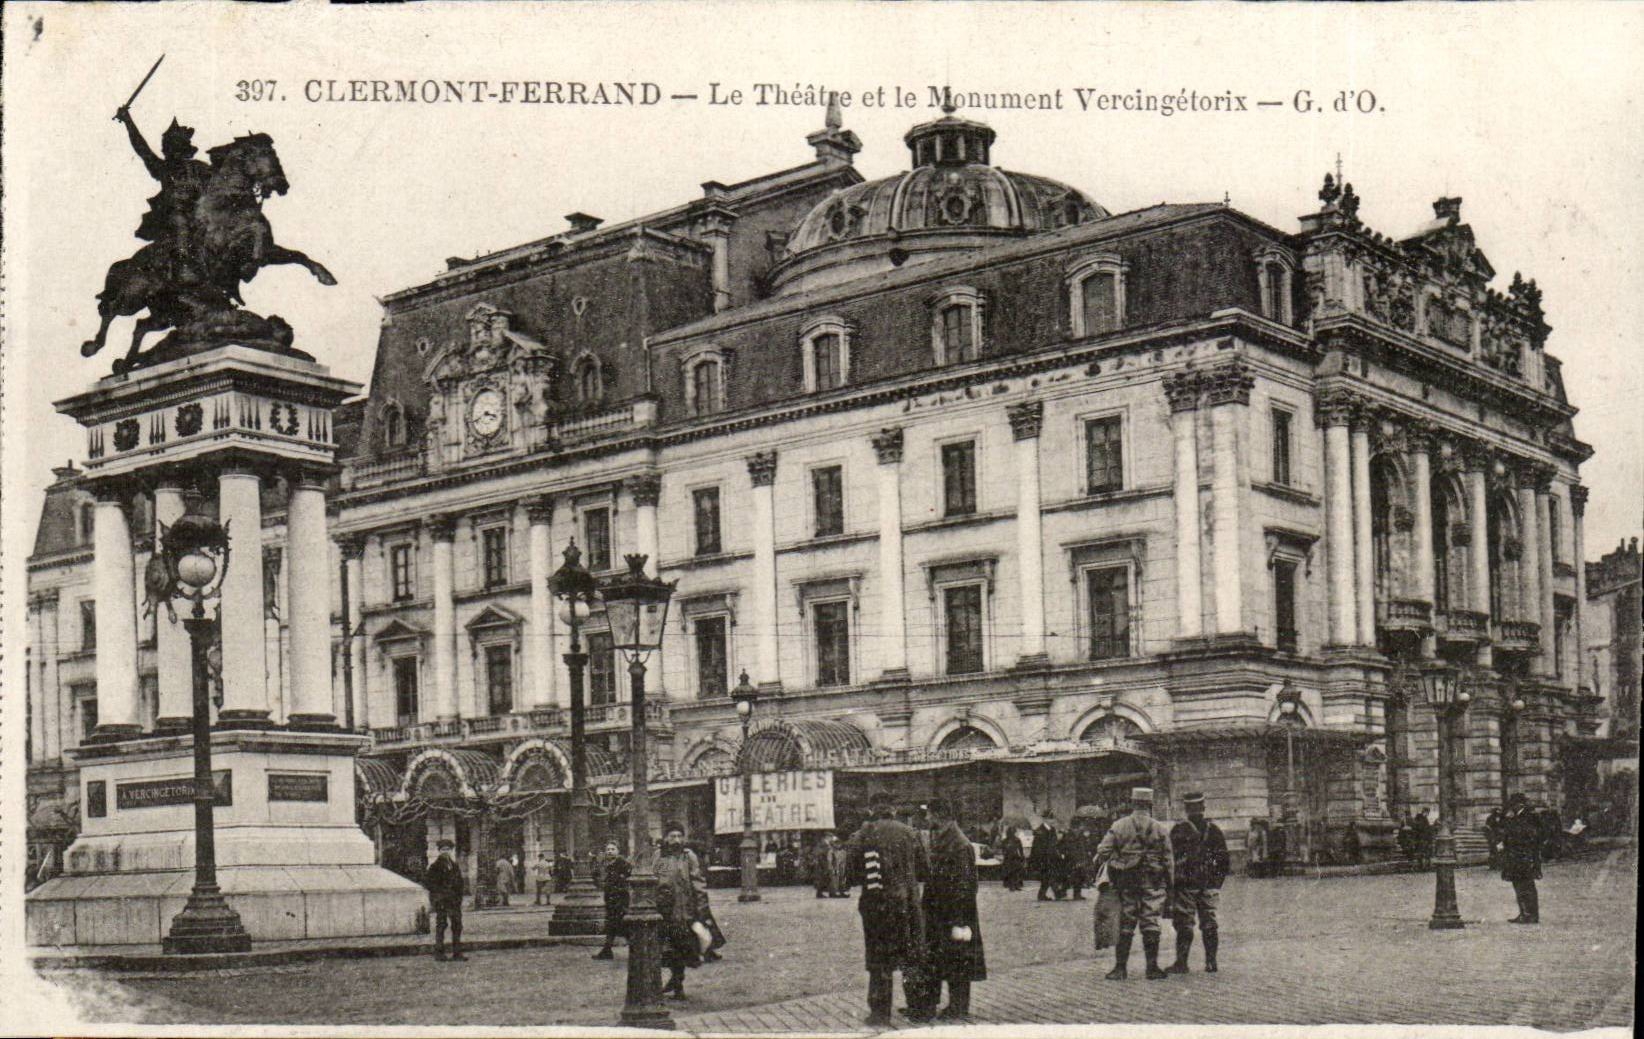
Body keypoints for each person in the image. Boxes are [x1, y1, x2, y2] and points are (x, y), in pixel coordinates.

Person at [845, 792, 930, 1027]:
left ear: (871, 809)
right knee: (912, 957)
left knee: (879, 959)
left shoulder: (863, 834)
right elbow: (925, 869)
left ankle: (880, 1013)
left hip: (877, 905)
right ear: (893, 809)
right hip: (908, 904)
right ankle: (919, 1009)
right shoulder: (910, 833)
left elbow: (850, 874)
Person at [908, 799, 987, 1021]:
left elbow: (967, 885)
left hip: (953, 913)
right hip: (938, 911)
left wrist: (959, 920)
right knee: (936, 958)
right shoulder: (943, 837)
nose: (927, 819)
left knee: (958, 960)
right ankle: (928, 1005)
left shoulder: (959, 844)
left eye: (929, 814)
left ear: (939, 815)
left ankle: (958, 1007)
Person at [1093, 787, 1173, 981]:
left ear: (1132, 803)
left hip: (1127, 880)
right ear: (1150, 805)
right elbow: (1168, 860)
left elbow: (1103, 851)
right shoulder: (1160, 828)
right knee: (1151, 920)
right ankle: (1152, 969)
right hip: (1153, 880)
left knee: (1126, 921)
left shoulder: (1119, 825)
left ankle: (1120, 969)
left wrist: (1117, 861)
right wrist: (1169, 884)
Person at [1167, 792, 1229, 974]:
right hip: (1208, 883)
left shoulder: (1179, 830)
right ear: (1203, 807)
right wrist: (1216, 882)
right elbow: (1224, 860)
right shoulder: (1214, 830)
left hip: (1186, 884)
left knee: (1184, 923)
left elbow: (1170, 858)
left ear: (1186, 809)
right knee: (1209, 921)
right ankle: (1211, 962)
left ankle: (1182, 963)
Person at [656, 824, 704, 999]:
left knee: (682, 947)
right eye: (672, 836)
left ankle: (678, 984)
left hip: (684, 910)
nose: (676, 840)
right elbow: (654, 878)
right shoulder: (659, 856)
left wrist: (700, 907)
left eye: (679, 836)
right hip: (664, 909)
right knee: (666, 948)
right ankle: (675, 981)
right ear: (666, 838)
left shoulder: (688, 856)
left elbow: (697, 882)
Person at [1500, 794, 1543, 924]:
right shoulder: (1518, 817)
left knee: (1526, 886)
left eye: (1513, 805)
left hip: (1524, 857)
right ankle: (1524, 913)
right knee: (1520, 886)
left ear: (1519, 805)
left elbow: (1529, 837)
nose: (1511, 807)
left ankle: (1530, 914)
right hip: (1518, 857)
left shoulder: (1528, 817)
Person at [423, 839, 467, 962]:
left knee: (457, 926)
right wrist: (439, 896)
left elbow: (460, 883)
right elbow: (429, 883)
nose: (445, 852)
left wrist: (459, 897)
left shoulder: (454, 866)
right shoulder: (434, 867)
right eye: (443, 850)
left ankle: (457, 953)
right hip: (442, 901)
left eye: (448, 849)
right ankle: (439, 953)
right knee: (441, 925)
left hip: (454, 901)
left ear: (451, 851)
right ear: (439, 851)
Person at [592, 841, 630, 959]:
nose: (610, 851)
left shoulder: (623, 864)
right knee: (615, 926)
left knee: (618, 925)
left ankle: (607, 950)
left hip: (620, 899)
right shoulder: (606, 865)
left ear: (618, 851)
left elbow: (625, 880)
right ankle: (607, 950)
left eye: (613, 849)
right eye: (608, 849)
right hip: (611, 899)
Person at [1030, 813, 1064, 901]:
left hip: (1052, 857)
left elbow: (1055, 844)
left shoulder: (1052, 830)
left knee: (1048, 876)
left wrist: (1058, 853)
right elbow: (1036, 847)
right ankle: (1057, 893)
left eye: (1052, 819)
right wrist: (1036, 860)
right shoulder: (1039, 831)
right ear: (1045, 819)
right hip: (1043, 858)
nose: (1052, 821)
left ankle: (1042, 895)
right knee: (1048, 876)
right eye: (1050, 819)